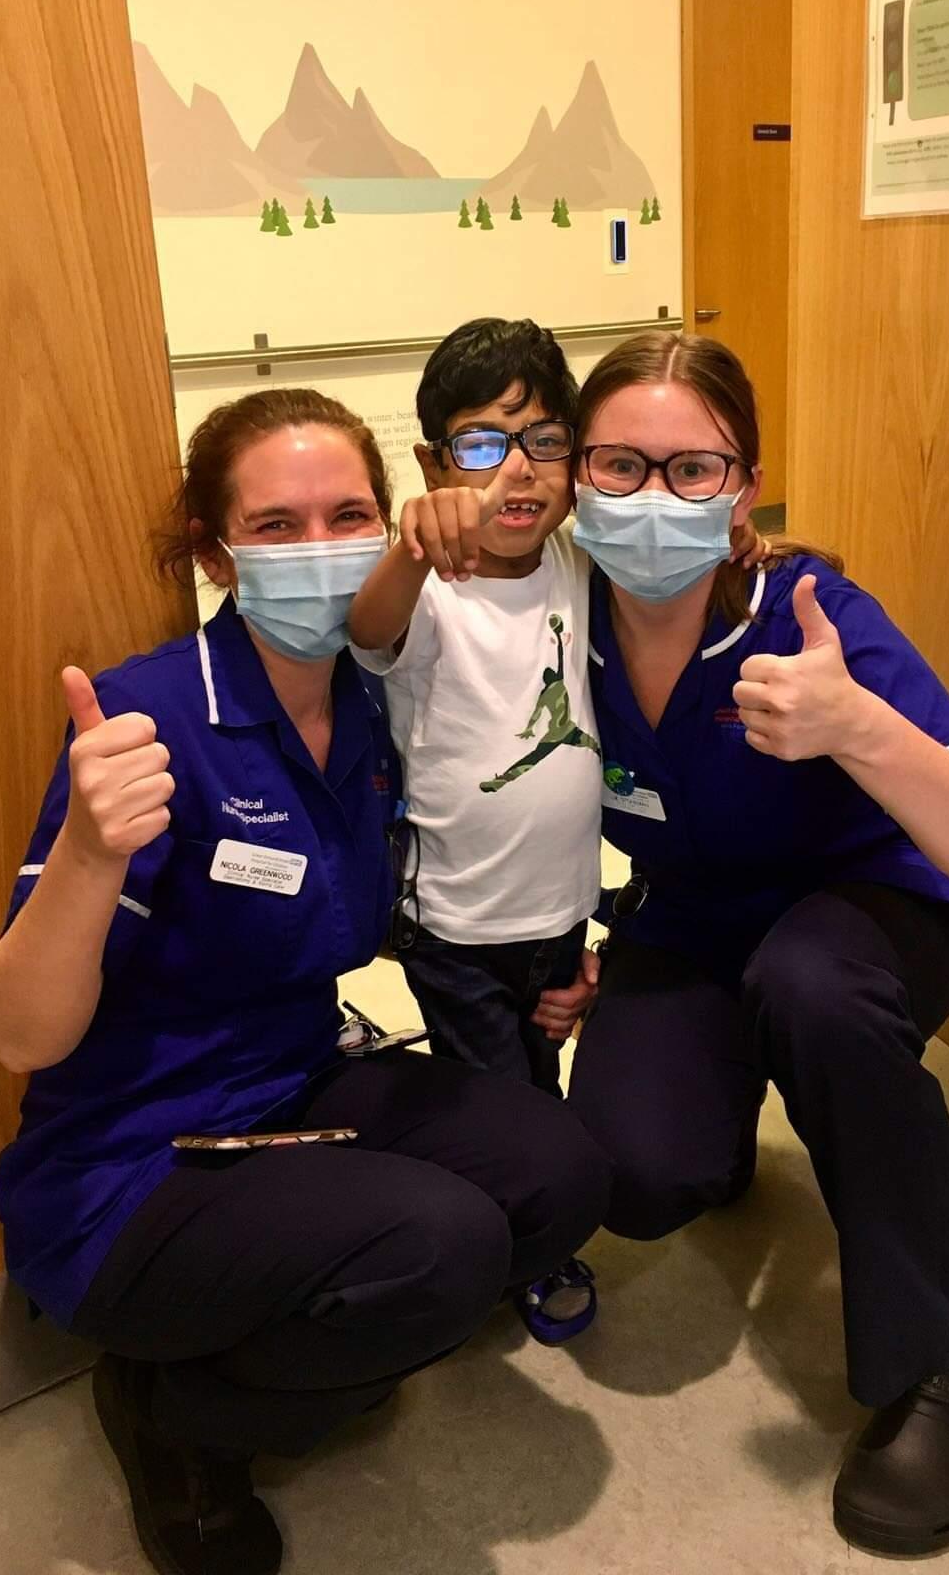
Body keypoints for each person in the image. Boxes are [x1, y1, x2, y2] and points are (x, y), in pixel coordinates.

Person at [0, 387, 609, 1575]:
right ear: (217, 553)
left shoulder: (369, 705)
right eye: (274, 526)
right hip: (133, 1161)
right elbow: (18, 1031)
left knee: (561, 1165)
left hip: (294, 1084)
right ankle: (178, 1418)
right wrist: (88, 851)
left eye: (348, 513)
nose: (318, 546)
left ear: (389, 525)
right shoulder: (153, 714)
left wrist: (559, 946)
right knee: (444, 1248)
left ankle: (274, 1318)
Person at [539, 333, 949, 1557]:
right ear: (576, 477)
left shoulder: (812, 617)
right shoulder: (552, 625)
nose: (653, 497)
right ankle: (725, 1107)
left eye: (693, 469)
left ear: (744, 485)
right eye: (620, 463)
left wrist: (860, 725)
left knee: (811, 989)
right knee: (639, 1170)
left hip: (866, 910)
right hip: (695, 916)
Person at [348, 318, 607, 1343]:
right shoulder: (425, 591)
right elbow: (367, 630)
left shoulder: (579, 571)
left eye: (545, 440)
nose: (521, 473)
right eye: (484, 444)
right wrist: (411, 543)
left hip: (558, 911)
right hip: (454, 922)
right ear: (434, 462)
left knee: (537, 1079)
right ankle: (524, 1247)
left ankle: (524, 1211)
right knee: (496, 1094)